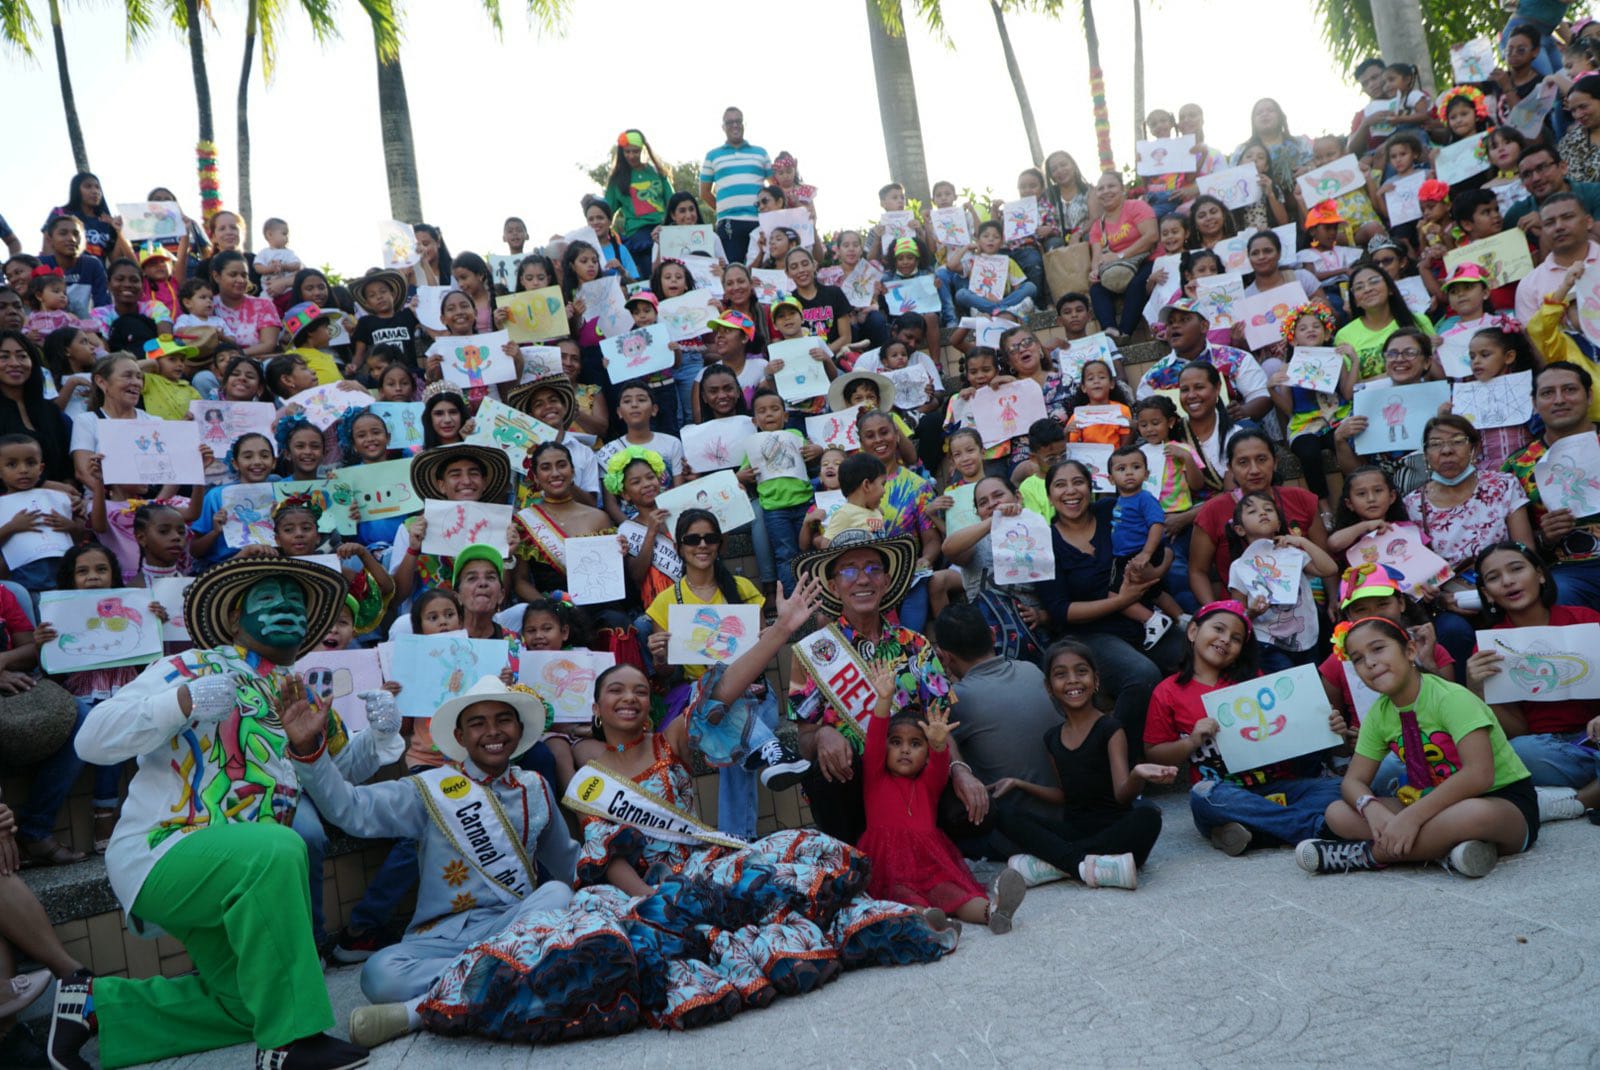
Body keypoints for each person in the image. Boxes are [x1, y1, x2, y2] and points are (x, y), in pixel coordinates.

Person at [48, 554, 370, 1070]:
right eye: (269, 600)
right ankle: (290, 1043)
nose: (286, 608)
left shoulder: (296, 692)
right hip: (167, 852)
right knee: (280, 847)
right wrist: (181, 700)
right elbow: (91, 738)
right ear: (234, 619)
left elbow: (334, 790)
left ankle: (98, 1006)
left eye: (296, 602)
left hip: (239, 876)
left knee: (247, 1006)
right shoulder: (191, 665)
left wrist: (346, 744)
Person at [280, 674, 577, 1051]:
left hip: (515, 924)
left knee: (556, 893)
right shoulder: (429, 789)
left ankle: (417, 1012)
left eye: (503, 720)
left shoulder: (535, 788)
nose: (492, 731)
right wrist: (309, 749)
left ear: (518, 729)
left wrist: (615, 885)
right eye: (477, 723)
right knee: (378, 976)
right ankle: (510, 973)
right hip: (441, 939)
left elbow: (568, 863)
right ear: (460, 736)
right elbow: (349, 810)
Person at [787, 528, 989, 846]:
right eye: (849, 571)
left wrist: (961, 770)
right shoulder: (812, 652)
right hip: (854, 789)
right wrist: (823, 734)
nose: (863, 579)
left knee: (973, 809)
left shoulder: (916, 644)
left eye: (873, 569)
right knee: (823, 776)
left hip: (916, 786)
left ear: (887, 580)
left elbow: (940, 726)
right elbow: (804, 738)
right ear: (833, 586)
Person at [1297, 616, 1538, 877]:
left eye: (1378, 648)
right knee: (1337, 813)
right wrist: (1372, 807)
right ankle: (1444, 851)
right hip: (1430, 802)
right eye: (1357, 659)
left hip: (1499, 802)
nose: (1370, 662)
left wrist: (1411, 819)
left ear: (1410, 650)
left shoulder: (1451, 698)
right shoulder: (1379, 714)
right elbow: (1352, 781)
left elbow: (1479, 774)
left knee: (1472, 814)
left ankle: (1367, 855)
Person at [1143, 599, 1348, 856]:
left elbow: (1294, 733)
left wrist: (1327, 726)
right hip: (1225, 794)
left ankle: (1259, 832)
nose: (1226, 639)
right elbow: (1154, 752)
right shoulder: (1168, 692)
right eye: (1218, 629)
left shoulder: (1257, 683)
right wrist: (1191, 741)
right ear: (1193, 631)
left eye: (1236, 638)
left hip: (1277, 787)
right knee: (1203, 796)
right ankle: (1313, 827)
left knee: (1340, 788)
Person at [857, 660, 1026, 933]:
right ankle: (932, 920)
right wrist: (884, 699)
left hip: (930, 861)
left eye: (915, 744)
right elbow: (875, 740)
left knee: (952, 891)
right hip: (889, 863)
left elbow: (939, 764)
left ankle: (994, 911)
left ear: (924, 755)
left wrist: (937, 743)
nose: (904, 750)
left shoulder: (927, 784)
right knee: (901, 896)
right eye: (896, 742)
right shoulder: (875, 779)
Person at [993, 640, 1175, 890]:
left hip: (1114, 830)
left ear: (1096, 680)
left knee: (1149, 816)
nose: (1072, 680)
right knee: (1005, 815)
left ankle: (1057, 866)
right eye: (1061, 674)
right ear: (1049, 687)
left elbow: (1122, 795)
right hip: (1074, 830)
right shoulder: (1052, 738)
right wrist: (1020, 784)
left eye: (1081, 671)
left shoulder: (1110, 729)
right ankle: (1092, 867)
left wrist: (1137, 774)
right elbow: (1065, 796)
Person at [1087, 172, 1158, 343]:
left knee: (1137, 284)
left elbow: (1151, 236)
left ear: (1122, 189)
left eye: (1111, 186)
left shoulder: (1136, 207)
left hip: (1148, 260)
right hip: (1118, 268)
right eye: (1101, 188)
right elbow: (1097, 255)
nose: (1106, 191)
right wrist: (1095, 271)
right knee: (1096, 288)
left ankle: (1125, 333)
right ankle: (1110, 330)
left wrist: (1119, 256)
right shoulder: (1097, 226)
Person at [698, 106, 771, 263]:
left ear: (744, 124)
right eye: (729, 122)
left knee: (762, 269)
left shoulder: (761, 153)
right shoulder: (712, 156)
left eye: (738, 121)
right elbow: (704, 193)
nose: (735, 125)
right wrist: (724, 209)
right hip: (728, 223)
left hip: (759, 221)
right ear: (723, 127)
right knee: (733, 270)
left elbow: (774, 186)